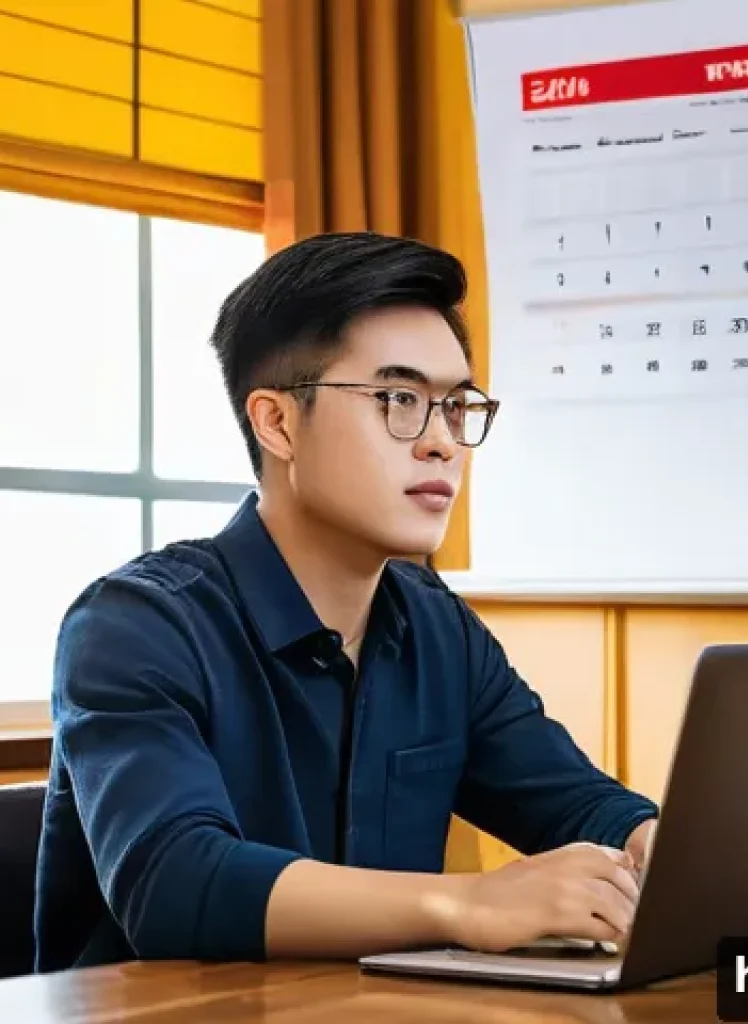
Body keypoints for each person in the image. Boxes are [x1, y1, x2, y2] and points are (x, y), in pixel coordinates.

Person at [33, 232, 659, 972]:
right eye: (399, 400)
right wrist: (467, 904)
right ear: (277, 423)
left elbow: (577, 806)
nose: (443, 445)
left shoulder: (440, 628)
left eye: (456, 406)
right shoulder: (135, 625)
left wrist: (656, 845)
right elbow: (175, 883)